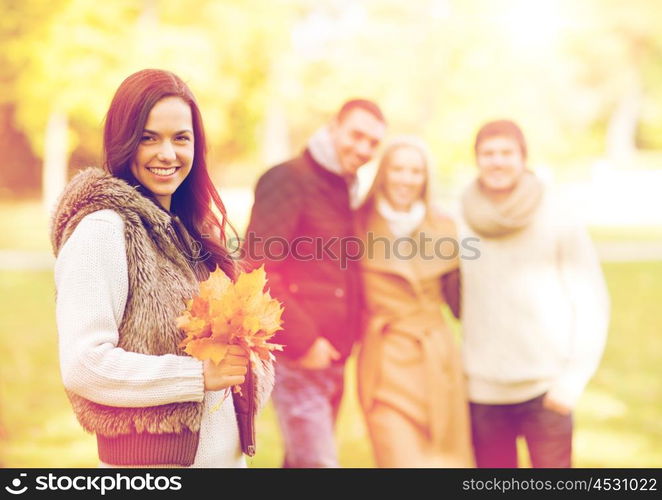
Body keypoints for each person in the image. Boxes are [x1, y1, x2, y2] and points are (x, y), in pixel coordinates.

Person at [51, 69, 272, 467]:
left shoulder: (192, 234)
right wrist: (196, 376)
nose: (167, 154)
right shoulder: (103, 229)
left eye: (180, 138)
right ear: (122, 142)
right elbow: (84, 364)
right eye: (148, 137)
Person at [243, 99, 387, 467]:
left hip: (335, 358)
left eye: (373, 143)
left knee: (301, 464)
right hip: (300, 358)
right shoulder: (288, 178)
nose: (363, 149)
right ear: (333, 127)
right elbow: (257, 270)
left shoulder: (346, 189)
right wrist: (305, 341)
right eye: (356, 135)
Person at [459, 119, 610, 468]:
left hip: (547, 389)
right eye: (488, 153)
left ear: (523, 158)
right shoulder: (460, 220)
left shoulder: (557, 215)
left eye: (506, 153)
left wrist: (572, 380)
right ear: (477, 160)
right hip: (483, 392)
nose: (497, 161)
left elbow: (591, 301)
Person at [355, 137, 473, 467]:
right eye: (398, 169)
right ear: (384, 173)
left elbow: (462, 304)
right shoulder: (357, 224)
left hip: (436, 360)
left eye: (415, 171)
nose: (406, 179)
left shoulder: (444, 227)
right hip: (386, 362)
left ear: (425, 178)